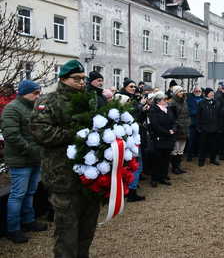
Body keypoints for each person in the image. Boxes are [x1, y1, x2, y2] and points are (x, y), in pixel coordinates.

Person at [31, 60, 100, 257]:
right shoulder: (48, 101)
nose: (81, 83)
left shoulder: (89, 100)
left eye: (83, 79)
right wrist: (75, 134)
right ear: (63, 79)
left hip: (90, 174)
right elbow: (41, 132)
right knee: (66, 232)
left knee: (87, 229)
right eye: (76, 79)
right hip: (63, 174)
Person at [2, 80, 45, 244]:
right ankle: (13, 229)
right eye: (35, 93)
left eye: (38, 93)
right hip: (20, 160)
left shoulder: (32, 107)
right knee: (18, 195)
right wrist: (32, 150)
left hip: (34, 158)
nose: (37, 96)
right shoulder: (12, 108)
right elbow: (11, 135)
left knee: (30, 192)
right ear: (24, 92)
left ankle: (29, 221)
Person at [115, 78, 146, 201]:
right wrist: (140, 107)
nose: (134, 89)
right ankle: (130, 191)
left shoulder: (132, 100)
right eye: (131, 87)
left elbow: (138, 118)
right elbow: (131, 118)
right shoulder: (123, 100)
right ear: (125, 87)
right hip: (129, 138)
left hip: (134, 136)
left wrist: (142, 109)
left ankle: (128, 190)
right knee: (136, 165)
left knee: (134, 165)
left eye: (134, 87)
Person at [148, 92, 175, 187]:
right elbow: (155, 125)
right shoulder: (153, 110)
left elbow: (173, 121)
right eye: (165, 100)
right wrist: (167, 132)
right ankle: (154, 178)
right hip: (159, 137)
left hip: (169, 138)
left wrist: (174, 129)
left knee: (166, 158)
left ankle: (163, 177)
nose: (166, 101)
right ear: (159, 101)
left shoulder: (168, 109)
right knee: (157, 159)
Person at [196, 88, 220, 166]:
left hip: (214, 127)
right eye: (211, 92)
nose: (213, 94)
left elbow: (218, 115)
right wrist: (199, 127)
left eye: (213, 92)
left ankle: (212, 159)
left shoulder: (216, 102)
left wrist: (218, 126)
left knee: (214, 145)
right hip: (204, 127)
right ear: (207, 94)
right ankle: (201, 160)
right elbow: (198, 116)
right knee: (203, 145)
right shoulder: (201, 103)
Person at [169, 86, 189, 174]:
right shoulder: (172, 102)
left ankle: (179, 166)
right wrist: (177, 125)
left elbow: (187, 114)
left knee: (181, 149)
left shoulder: (184, 101)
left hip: (185, 127)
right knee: (175, 149)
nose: (182, 93)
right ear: (175, 92)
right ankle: (174, 167)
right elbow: (172, 117)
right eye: (180, 91)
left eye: (182, 91)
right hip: (177, 128)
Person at [186, 86, 204, 161]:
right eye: (196, 91)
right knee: (191, 140)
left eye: (199, 91)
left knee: (200, 140)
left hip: (201, 123)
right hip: (192, 123)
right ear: (193, 92)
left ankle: (198, 154)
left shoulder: (203, 99)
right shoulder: (190, 99)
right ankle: (189, 155)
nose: (198, 92)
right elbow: (189, 110)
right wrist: (199, 112)